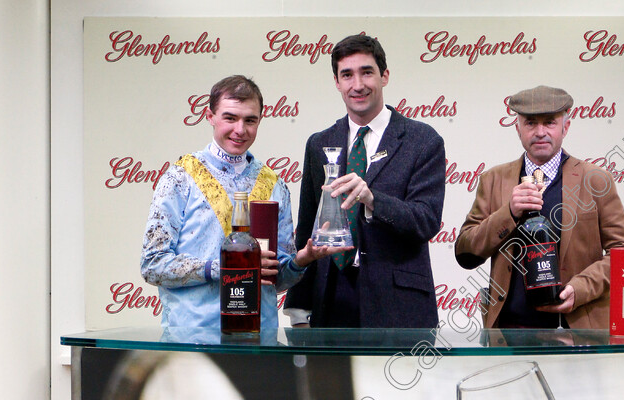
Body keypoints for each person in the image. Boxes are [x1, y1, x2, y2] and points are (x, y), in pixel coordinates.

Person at [141, 75, 340, 328]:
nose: (240, 130)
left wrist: (301, 261)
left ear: (260, 120)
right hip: (195, 340)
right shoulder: (180, 177)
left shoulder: (274, 184)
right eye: (230, 118)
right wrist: (224, 268)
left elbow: (276, 280)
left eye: (250, 120)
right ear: (210, 116)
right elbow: (153, 264)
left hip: (258, 339)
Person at [284, 35, 446, 328]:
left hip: (400, 305)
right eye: (347, 75)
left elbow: (426, 221)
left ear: (384, 76)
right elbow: (308, 226)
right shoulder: (319, 143)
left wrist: (373, 200)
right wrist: (297, 308)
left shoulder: (423, 140)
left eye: (366, 72)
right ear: (336, 82)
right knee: (332, 377)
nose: (357, 85)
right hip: (330, 298)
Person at [455, 85, 624, 329]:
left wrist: (580, 288)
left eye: (550, 122)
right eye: (531, 123)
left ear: (566, 127)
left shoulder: (595, 180)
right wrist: (508, 213)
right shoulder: (493, 180)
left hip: (578, 333)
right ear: (517, 128)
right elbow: (465, 253)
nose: (540, 132)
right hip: (510, 332)